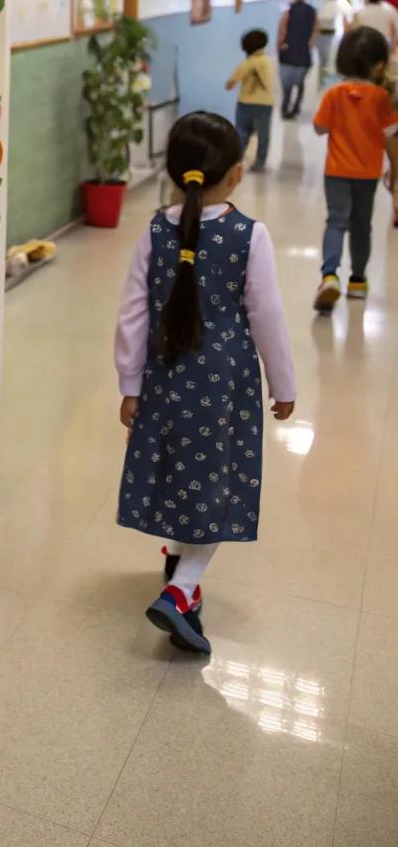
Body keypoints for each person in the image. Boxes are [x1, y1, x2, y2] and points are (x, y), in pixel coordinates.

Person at [115, 112, 296, 655]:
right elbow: (268, 316)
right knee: (217, 484)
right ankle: (183, 587)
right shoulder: (249, 235)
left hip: (166, 377)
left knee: (182, 470)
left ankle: (178, 562)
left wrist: (129, 383)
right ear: (237, 173)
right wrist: (283, 384)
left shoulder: (154, 230)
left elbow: (132, 314)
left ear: (172, 173)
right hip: (224, 385)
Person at [312, 27, 398, 310]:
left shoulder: (334, 94)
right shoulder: (383, 99)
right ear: (380, 64)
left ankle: (329, 276)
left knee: (336, 221)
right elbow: (392, 138)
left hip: (336, 171)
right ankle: (358, 281)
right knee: (362, 224)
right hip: (368, 174)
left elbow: (319, 128)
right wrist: (395, 171)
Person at [226, 29, 274, 171]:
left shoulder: (247, 63)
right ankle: (259, 163)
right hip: (265, 104)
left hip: (246, 103)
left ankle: (236, 161)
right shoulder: (268, 61)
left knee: (242, 132)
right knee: (263, 135)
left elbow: (230, 84)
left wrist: (230, 83)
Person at [277, 0, 316, 118]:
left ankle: (285, 107)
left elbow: (282, 30)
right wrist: (309, 46)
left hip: (288, 51)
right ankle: (296, 108)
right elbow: (315, 31)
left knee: (286, 83)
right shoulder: (312, 11)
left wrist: (280, 45)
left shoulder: (288, 12)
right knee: (299, 83)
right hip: (303, 53)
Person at [315, 0, 352, 86]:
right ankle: (320, 83)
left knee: (329, 64)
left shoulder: (341, 2)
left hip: (333, 37)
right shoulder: (322, 2)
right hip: (320, 37)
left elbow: (347, 23)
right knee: (321, 63)